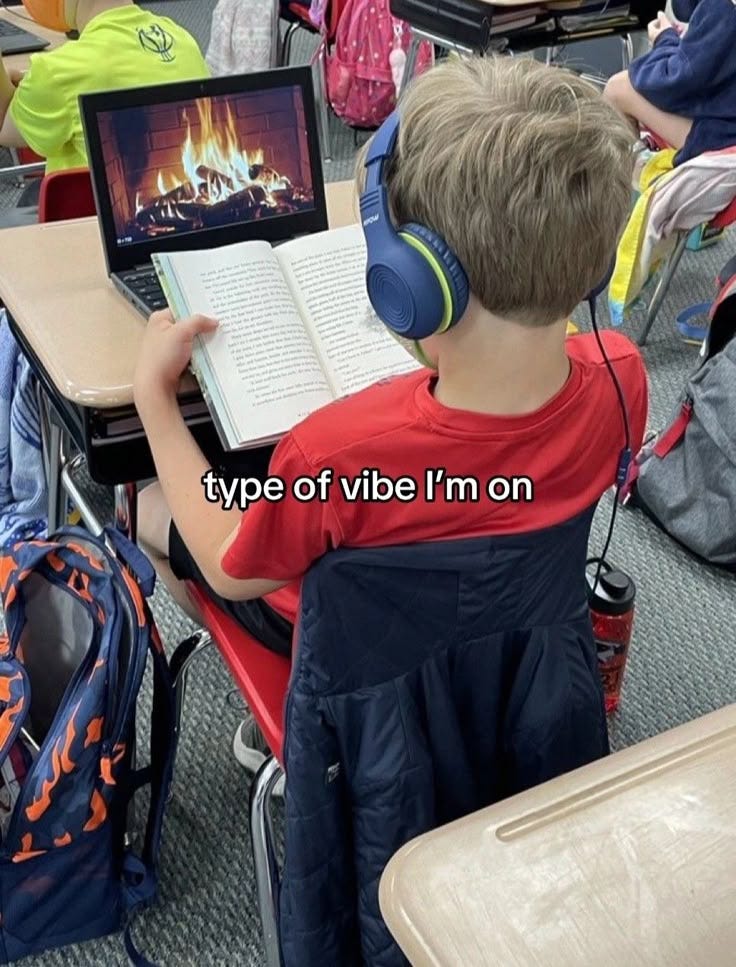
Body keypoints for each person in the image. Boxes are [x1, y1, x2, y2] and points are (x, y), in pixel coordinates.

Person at [133, 56, 649, 774]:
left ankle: (285, 715)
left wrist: (155, 402)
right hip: (524, 670)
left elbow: (228, 565)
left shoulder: (336, 453)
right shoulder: (623, 373)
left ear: (414, 283)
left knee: (150, 506)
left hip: (357, 683)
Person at [0, 0, 209, 225]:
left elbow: (5, 128)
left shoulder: (56, 71)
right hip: (178, 222)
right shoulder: (185, 41)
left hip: (85, 229)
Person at [604, 0, 736, 165]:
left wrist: (664, 40)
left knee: (618, 89)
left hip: (723, 138)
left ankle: (621, 183)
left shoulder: (723, 7)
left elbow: (673, 84)